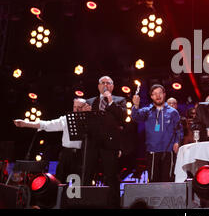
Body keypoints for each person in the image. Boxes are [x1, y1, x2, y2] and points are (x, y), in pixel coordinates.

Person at [13, 98, 91, 183]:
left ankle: (75, 196)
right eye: (74, 107)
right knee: (60, 181)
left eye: (79, 107)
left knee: (77, 184)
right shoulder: (66, 119)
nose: (76, 110)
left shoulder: (91, 120)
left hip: (81, 155)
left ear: (85, 107)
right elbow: (48, 125)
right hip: (66, 154)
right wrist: (25, 124)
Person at [84, 75, 127, 208]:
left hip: (110, 143)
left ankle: (114, 204)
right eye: (102, 83)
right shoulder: (90, 101)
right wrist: (85, 113)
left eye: (108, 83)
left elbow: (122, 118)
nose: (105, 85)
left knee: (111, 175)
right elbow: (84, 123)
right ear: (98, 86)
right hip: (92, 143)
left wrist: (110, 102)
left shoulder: (119, 100)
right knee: (88, 172)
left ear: (113, 86)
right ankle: (86, 202)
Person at [131, 84, 182, 182]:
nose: (158, 96)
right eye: (154, 94)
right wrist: (136, 105)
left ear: (164, 94)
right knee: (154, 180)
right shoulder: (147, 111)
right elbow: (135, 117)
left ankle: (168, 198)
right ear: (151, 97)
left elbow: (179, 130)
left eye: (160, 93)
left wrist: (177, 142)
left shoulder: (173, 112)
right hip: (153, 151)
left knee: (168, 180)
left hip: (169, 151)